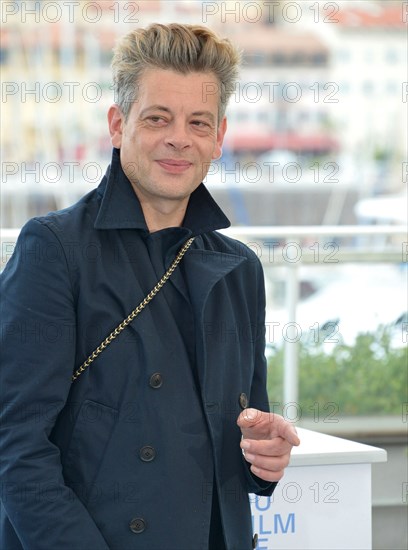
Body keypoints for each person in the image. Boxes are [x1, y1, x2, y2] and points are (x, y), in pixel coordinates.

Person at [0, 23, 300, 550]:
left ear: (219, 137)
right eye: (158, 117)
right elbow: (15, 445)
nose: (179, 137)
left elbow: (240, 436)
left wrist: (263, 460)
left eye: (198, 122)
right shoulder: (54, 249)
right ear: (118, 124)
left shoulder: (242, 269)